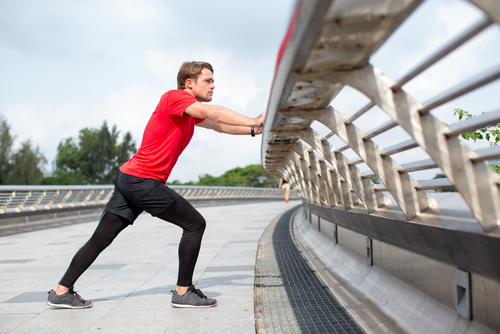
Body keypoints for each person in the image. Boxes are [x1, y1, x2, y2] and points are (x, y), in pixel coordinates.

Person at [46, 61, 264, 309]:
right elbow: (213, 113)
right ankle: (183, 291)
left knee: (101, 238)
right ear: (189, 83)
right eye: (208, 80)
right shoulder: (175, 97)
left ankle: (61, 291)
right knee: (195, 223)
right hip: (142, 181)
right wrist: (253, 117)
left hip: (130, 178)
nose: (214, 85)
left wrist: (254, 129)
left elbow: (220, 126)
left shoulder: (190, 113)